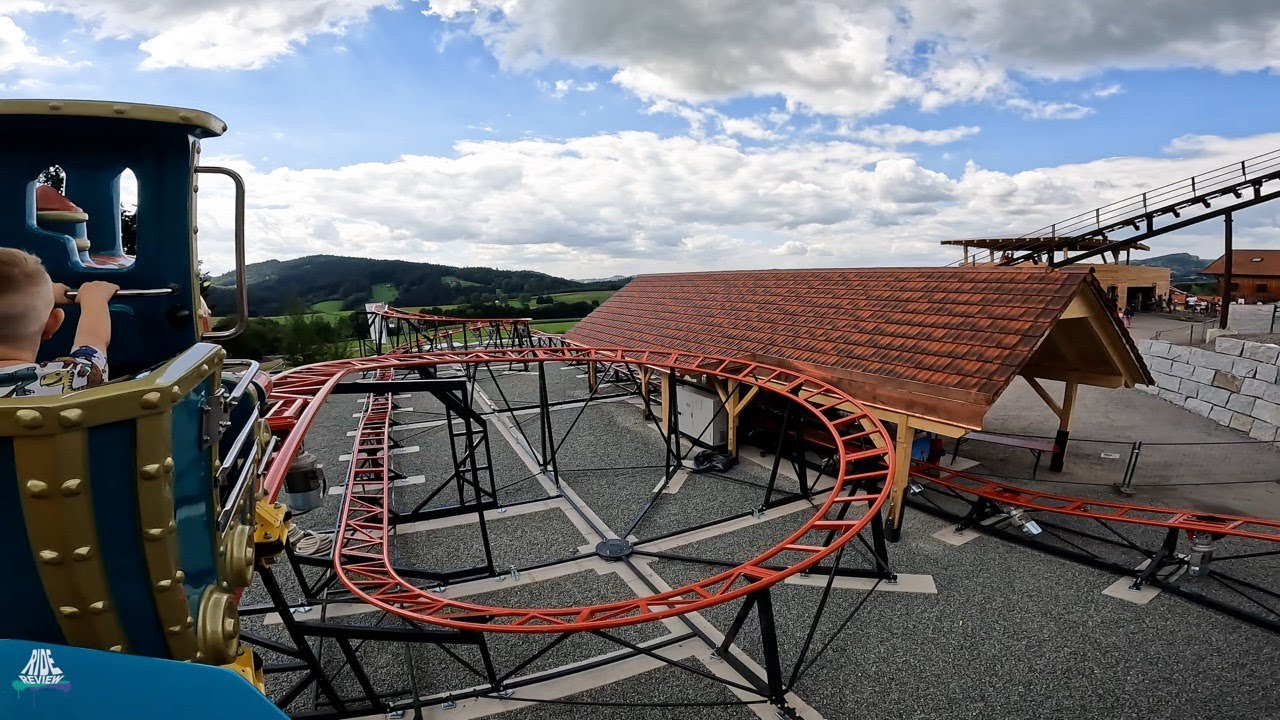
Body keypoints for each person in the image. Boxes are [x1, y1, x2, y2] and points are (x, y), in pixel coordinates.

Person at [0, 248, 118, 397]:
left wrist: (43, 294)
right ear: (52, 323)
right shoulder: (75, 378)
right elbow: (93, 342)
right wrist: (95, 299)